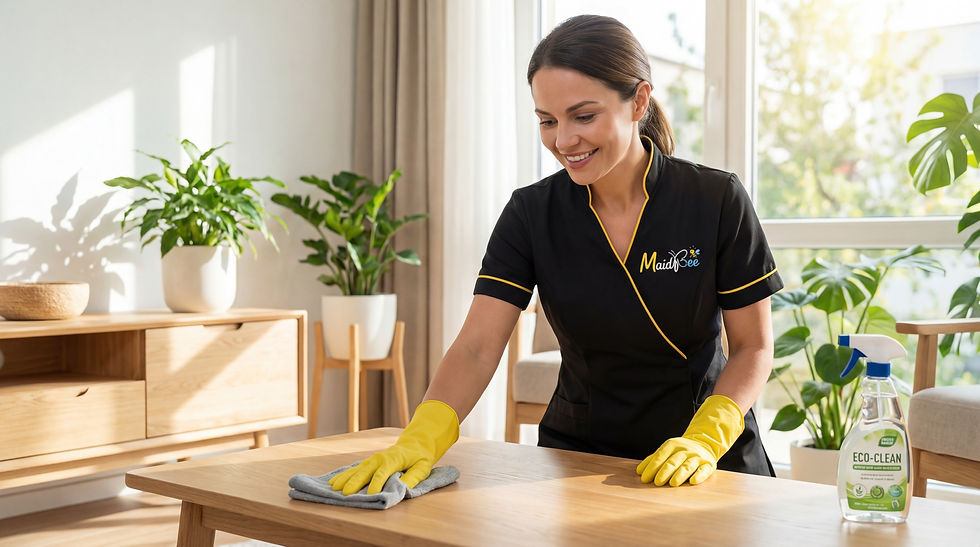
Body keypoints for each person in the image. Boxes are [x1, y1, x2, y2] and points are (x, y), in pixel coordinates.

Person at [328, 14, 782, 496]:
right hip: (581, 454)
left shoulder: (714, 200)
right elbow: (478, 346)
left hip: (704, 458)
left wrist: (706, 439)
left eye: (583, 116)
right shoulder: (531, 213)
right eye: (548, 120)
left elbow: (753, 346)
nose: (564, 141)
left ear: (639, 102)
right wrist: (421, 436)